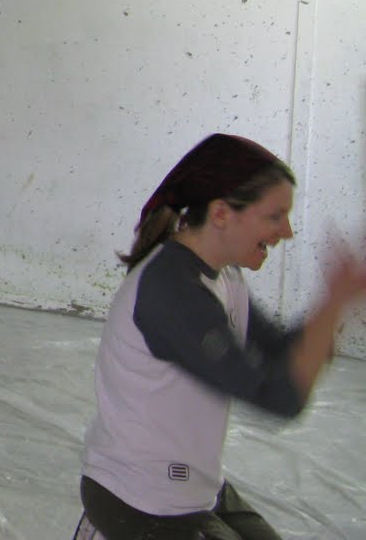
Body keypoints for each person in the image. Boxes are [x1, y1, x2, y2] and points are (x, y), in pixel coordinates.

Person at [80, 132, 366, 539]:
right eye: (274, 216)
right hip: (137, 499)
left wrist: (338, 301)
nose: (287, 231)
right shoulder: (172, 290)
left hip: (196, 490)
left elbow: (282, 352)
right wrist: (336, 300)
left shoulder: (224, 275)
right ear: (220, 214)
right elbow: (277, 396)